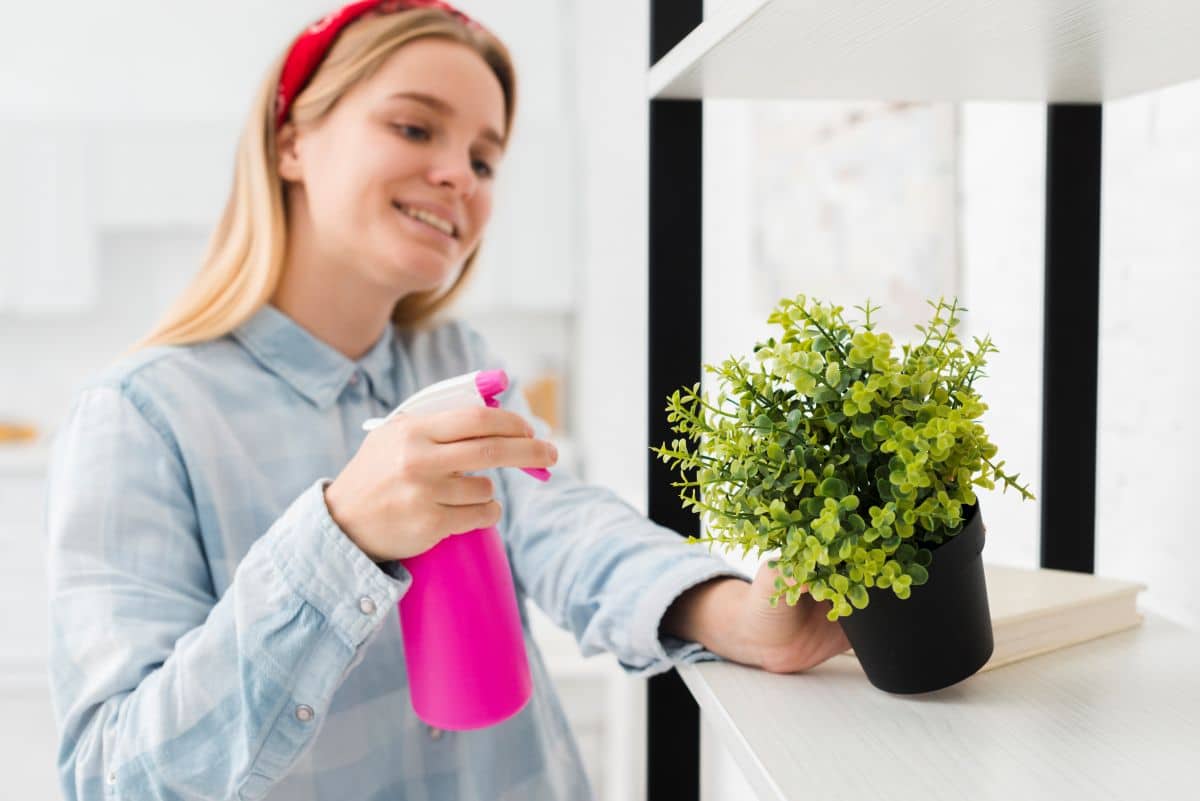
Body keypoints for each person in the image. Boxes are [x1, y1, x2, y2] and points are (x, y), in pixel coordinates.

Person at [45, 2, 850, 799]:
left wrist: (729, 613)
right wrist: (340, 537)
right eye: (414, 128)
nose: (460, 175)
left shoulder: (455, 360)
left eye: (485, 159)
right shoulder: (140, 417)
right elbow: (114, 776)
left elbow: (559, 525)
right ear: (292, 141)